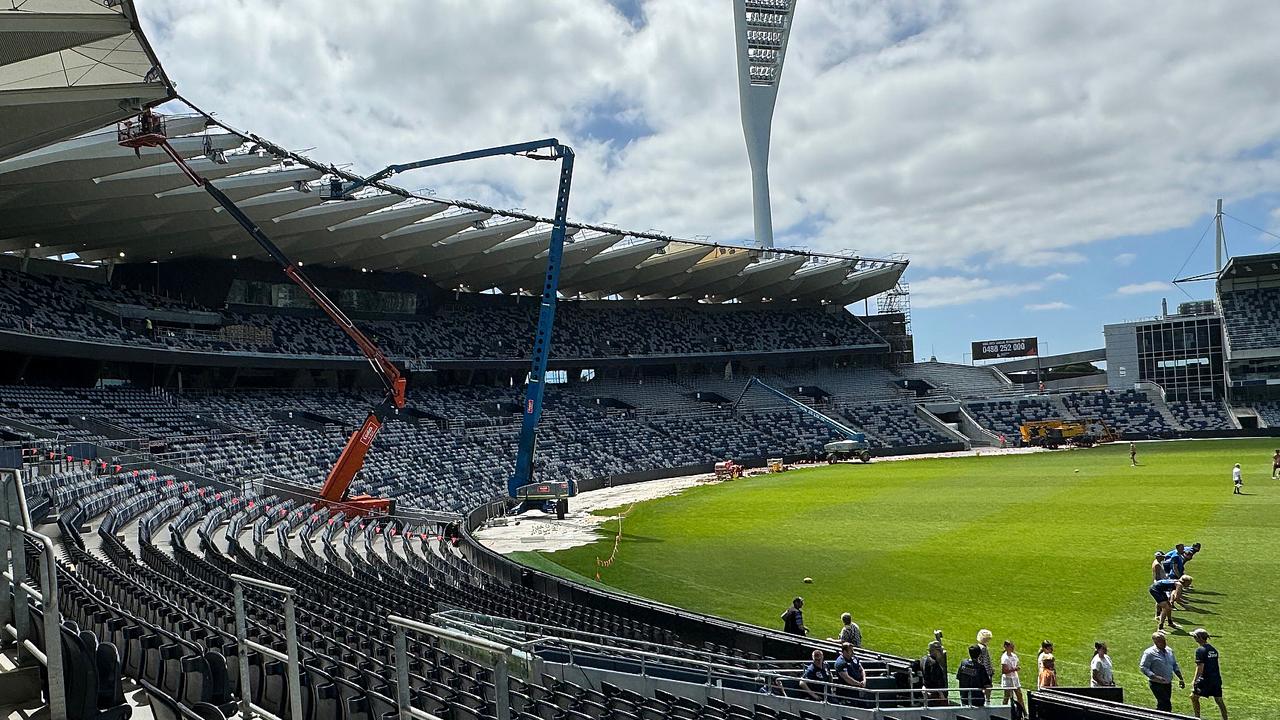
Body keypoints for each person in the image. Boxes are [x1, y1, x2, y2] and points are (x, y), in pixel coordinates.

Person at [1140, 631, 1185, 712]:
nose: (1164, 643)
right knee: (1166, 704)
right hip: (1156, 683)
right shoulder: (1149, 653)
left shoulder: (1169, 651)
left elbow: (1174, 665)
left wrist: (1180, 678)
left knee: (1162, 705)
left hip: (1168, 683)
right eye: (1161, 641)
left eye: (1164, 640)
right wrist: (1154, 676)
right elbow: (1143, 667)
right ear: (1155, 642)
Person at [1189, 628, 1227, 720]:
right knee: (1219, 700)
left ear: (1199, 638)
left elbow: (1200, 667)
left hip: (1205, 680)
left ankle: (1197, 718)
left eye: (1194, 636)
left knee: (1193, 697)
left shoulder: (1200, 650)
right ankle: (1225, 718)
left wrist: (1194, 680)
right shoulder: (1213, 650)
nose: (1194, 638)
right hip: (1216, 679)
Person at [999, 639, 1024, 709]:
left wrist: (1015, 668)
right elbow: (1004, 671)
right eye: (1011, 647)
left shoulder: (1014, 656)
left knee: (1020, 696)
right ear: (1006, 647)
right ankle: (1003, 712)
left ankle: (1024, 713)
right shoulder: (1004, 658)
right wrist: (1014, 669)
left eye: (1013, 647)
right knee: (1006, 697)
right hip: (1007, 680)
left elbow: (1015, 664)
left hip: (1015, 678)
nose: (1012, 648)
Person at [922, 640, 948, 706]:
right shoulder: (934, 664)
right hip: (935, 695)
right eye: (940, 651)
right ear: (935, 651)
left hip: (928, 692)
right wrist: (942, 695)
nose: (942, 653)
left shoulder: (924, 659)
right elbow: (936, 682)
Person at [976, 629, 995, 701]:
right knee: (988, 687)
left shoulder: (978, 646)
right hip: (985, 672)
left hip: (981, 671)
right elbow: (986, 661)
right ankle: (987, 700)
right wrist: (990, 671)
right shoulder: (983, 648)